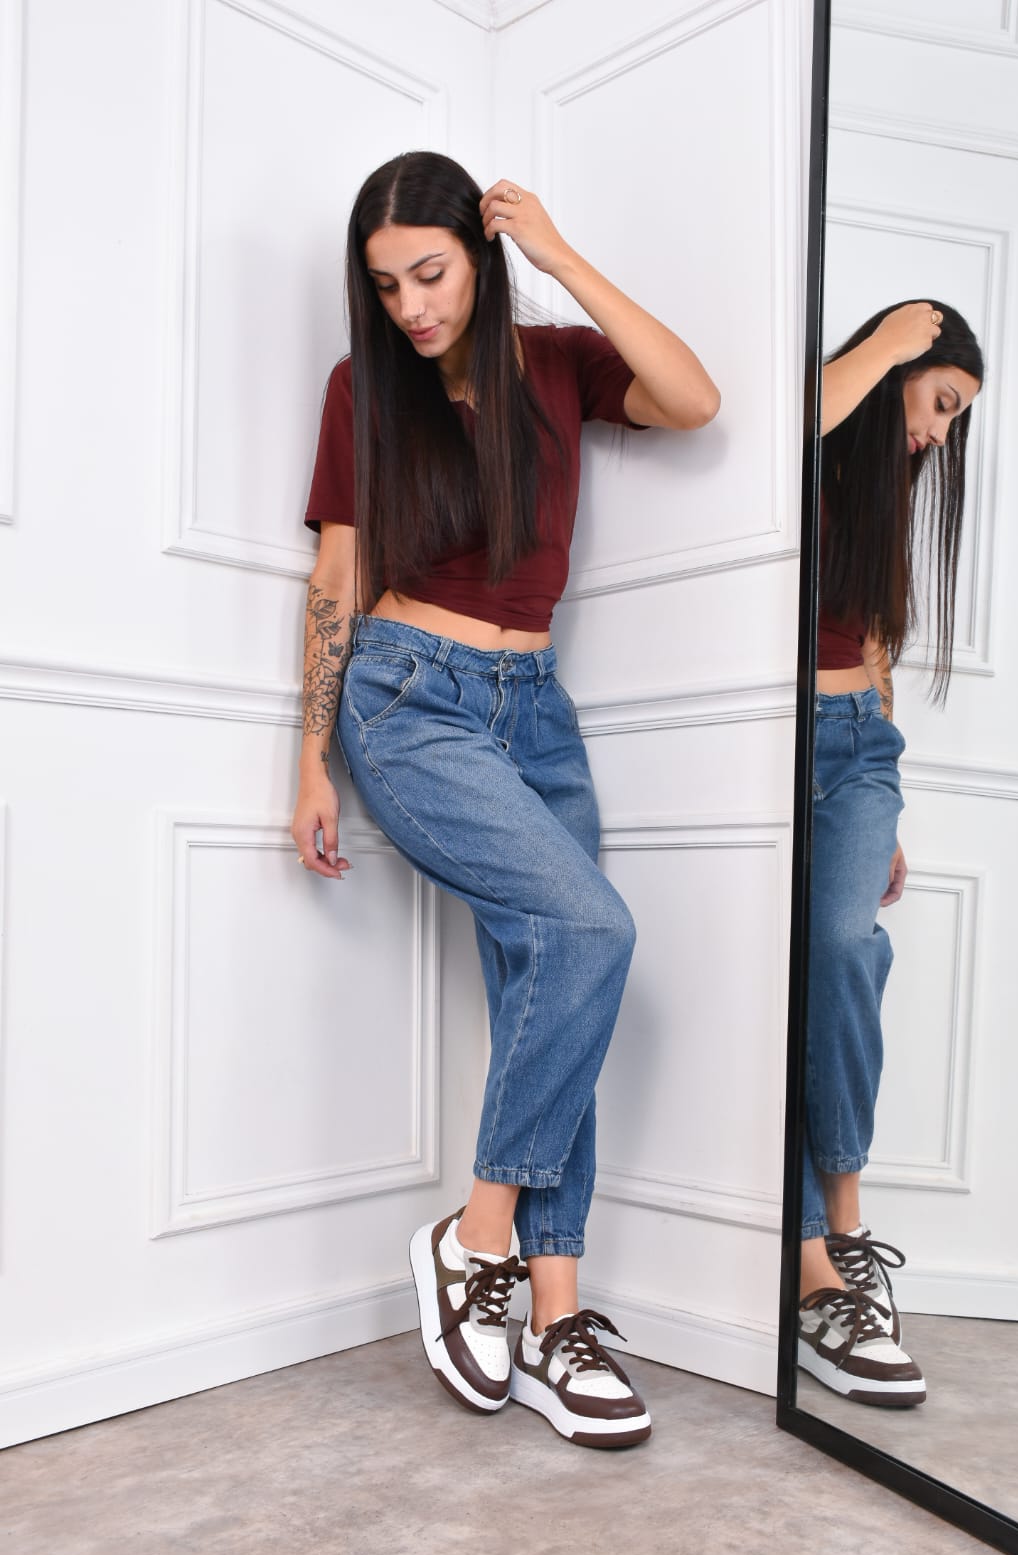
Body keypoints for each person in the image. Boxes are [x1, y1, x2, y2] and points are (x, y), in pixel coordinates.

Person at [292, 151, 720, 1448]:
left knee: (559, 989)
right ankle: (476, 1240)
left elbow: (694, 398)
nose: (412, 306)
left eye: (429, 273)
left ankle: (553, 1318)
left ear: (479, 257)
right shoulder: (364, 390)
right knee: (592, 933)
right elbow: (335, 580)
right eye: (387, 285)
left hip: (537, 715)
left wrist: (560, 255)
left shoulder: (556, 366)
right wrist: (309, 755)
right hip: (409, 700)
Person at [797, 300, 983, 1407]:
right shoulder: (810, 449)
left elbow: (871, 643)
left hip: (860, 749)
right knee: (799, 973)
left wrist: (888, 816)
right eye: (941, 403)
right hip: (773, 746)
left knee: (843, 949)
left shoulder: (885, 490)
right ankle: (809, 1260)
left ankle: (845, 1226)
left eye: (955, 421)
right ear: (902, 364)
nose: (938, 434)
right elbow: (792, 422)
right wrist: (887, 345)